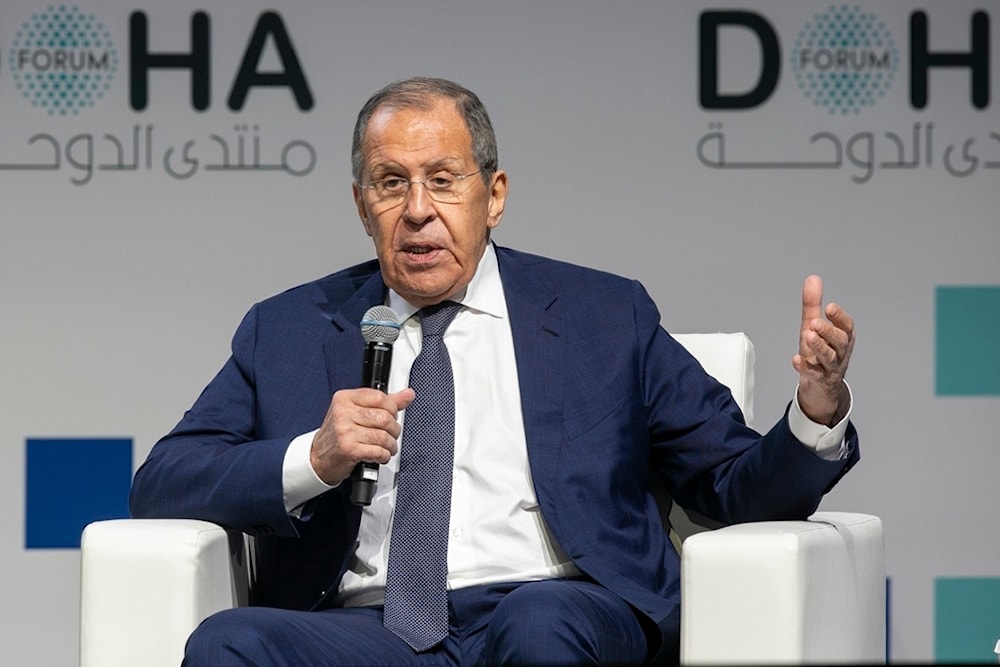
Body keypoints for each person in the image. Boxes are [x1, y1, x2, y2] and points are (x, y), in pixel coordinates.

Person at [129, 77, 858, 666]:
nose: (418, 211)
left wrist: (815, 412)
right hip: (370, 630)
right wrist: (313, 459)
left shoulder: (604, 314)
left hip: (556, 603)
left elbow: (729, 482)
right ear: (362, 205)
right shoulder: (286, 328)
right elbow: (164, 481)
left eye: (443, 180)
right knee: (229, 642)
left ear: (495, 195)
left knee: (539, 625)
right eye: (390, 183)